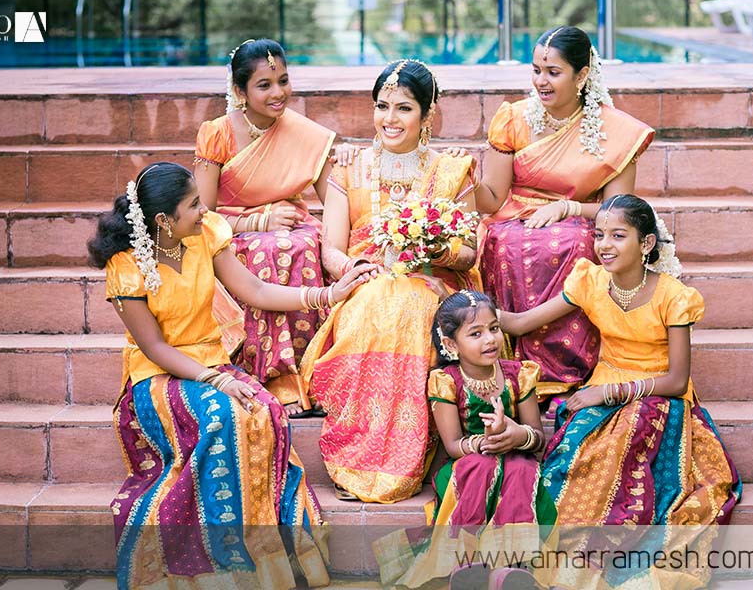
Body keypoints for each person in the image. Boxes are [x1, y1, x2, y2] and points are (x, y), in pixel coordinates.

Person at [87, 162, 375, 590]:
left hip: (211, 361)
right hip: (158, 376)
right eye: (193, 205)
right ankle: (217, 558)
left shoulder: (206, 235)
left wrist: (328, 294)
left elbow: (255, 291)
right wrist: (217, 380)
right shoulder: (126, 265)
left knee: (264, 412)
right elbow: (156, 348)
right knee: (224, 416)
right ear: (164, 220)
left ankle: (263, 553)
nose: (204, 209)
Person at [500, 194, 741, 589]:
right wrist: (464, 307)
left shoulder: (673, 297)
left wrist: (610, 394)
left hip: (659, 394)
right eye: (599, 235)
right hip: (603, 385)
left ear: (646, 244)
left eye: (618, 235)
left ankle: (598, 568)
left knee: (626, 435)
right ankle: (549, 563)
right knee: (574, 454)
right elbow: (522, 323)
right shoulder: (591, 281)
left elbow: (678, 379)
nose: (604, 245)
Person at [300, 60, 481, 503]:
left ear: (426, 115)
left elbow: (471, 250)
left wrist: (437, 252)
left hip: (432, 285)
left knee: (413, 307)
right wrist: (354, 269)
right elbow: (332, 250)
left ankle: (403, 456)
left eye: (403, 108)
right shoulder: (349, 168)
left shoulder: (453, 171)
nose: (390, 119)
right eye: (382, 106)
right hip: (368, 285)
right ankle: (358, 453)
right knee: (381, 304)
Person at [476, 26, 655, 415]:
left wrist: (569, 208)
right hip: (514, 218)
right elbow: (490, 200)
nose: (541, 81)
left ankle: (563, 372)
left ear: (582, 75)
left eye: (553, 72)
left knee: (572, 244)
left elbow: (620, 207)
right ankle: (510, 368)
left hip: (584, 219)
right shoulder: (514, 118)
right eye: (537, 70)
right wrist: (459, 178)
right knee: (505, 242)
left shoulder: (615, 130)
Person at [373, 290, 557, 589]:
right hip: (468, 466)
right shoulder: (446, 380)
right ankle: (466, 562)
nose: (490, 340)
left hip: (515, 459)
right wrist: (483, 443)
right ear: (450, 344)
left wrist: (516, 434)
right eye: (476, 333)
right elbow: (453, 445)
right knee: (481, 468)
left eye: (494, 329)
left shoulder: (517, 375)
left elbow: (537, 439)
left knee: (522, 470)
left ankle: (511, 567)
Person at [194, 39, 336, 418]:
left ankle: (312, 375)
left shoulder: (304, 133)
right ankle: (271, 378)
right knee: (266, 250)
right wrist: (257, 221)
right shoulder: (217, 134)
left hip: (293, 224)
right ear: (239, 91)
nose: (279, 93)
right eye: (264, 85)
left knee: (306, 243)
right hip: (232, 232)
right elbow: (202, 215)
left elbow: (335, 195)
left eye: (284, 81)